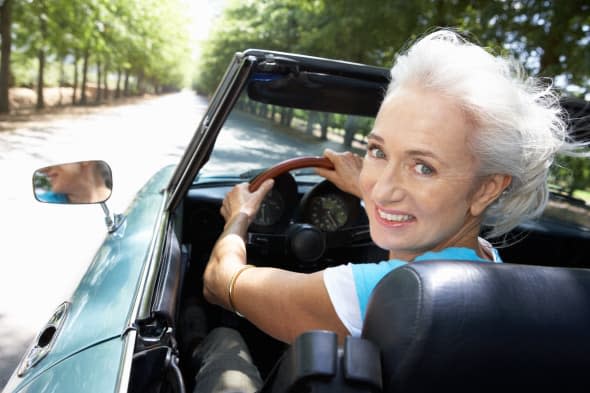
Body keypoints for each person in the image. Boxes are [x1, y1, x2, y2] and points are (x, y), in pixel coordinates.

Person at [195, 29, 588, 392]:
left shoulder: (368, 294)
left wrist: (239, 219)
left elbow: (218, 280)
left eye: (423, 167)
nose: (382, 187)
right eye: (379, 151)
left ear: (486, 189)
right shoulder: (487, 264)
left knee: (222, 339)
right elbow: (399, 208)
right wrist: (364, 190)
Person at [36, 160, 112, 204]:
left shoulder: (121, 204)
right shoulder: (43, 201)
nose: (42, 170)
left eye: (52, 159)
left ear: (84, 161)